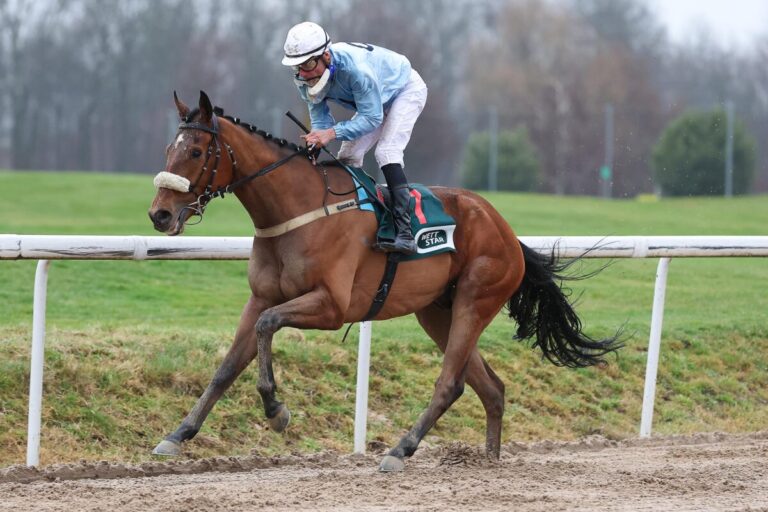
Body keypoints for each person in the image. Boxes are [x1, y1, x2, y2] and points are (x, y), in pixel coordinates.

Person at [281, 21, 428, 255]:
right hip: (376, 100)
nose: (303, 73)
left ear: (326, 56)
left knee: (386, 151)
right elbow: (321, 122)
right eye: (297, 66)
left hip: (404, 90)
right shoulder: (303, 79)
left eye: (308, 64)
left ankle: (405, 233)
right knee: (348, 156)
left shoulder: (356, 71)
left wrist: (330, 134)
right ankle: (356, 222)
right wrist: (314, 145)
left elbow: (371, 118)